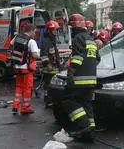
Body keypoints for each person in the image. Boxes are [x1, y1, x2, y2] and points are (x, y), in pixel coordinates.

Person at [59, 14, 100, 142]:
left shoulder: (78, 38)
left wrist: (70, 73)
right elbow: (97, 59)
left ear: (74, 28)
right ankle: (90, 134)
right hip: (92, 79)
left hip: (80, 79)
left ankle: (84, 126)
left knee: (67, 101)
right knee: (86, 105)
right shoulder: (91, 39)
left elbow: (78, 58)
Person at [10, 23, 39, 115]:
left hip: (17, 67)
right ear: (30, 31)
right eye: (34, 32)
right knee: (27, 88)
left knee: (19, 87)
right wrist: (38, 55)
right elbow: (35, 55)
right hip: (26, 68)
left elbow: (11, 45)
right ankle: (25, 108)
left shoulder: (17, 37)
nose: (35, 34)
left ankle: (15, 106)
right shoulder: (31, 41)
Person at [40, 20, 61, 108]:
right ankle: (48, 101)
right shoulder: (46, 41)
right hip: (49, 68)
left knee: (51, 85)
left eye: (56, 30)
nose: (56, 32)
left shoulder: (52, 40)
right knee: (48, 86)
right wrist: (47, 64)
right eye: (54, 30)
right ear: (49, 31)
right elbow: (43, 55)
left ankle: (51, 100)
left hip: (54, 67)